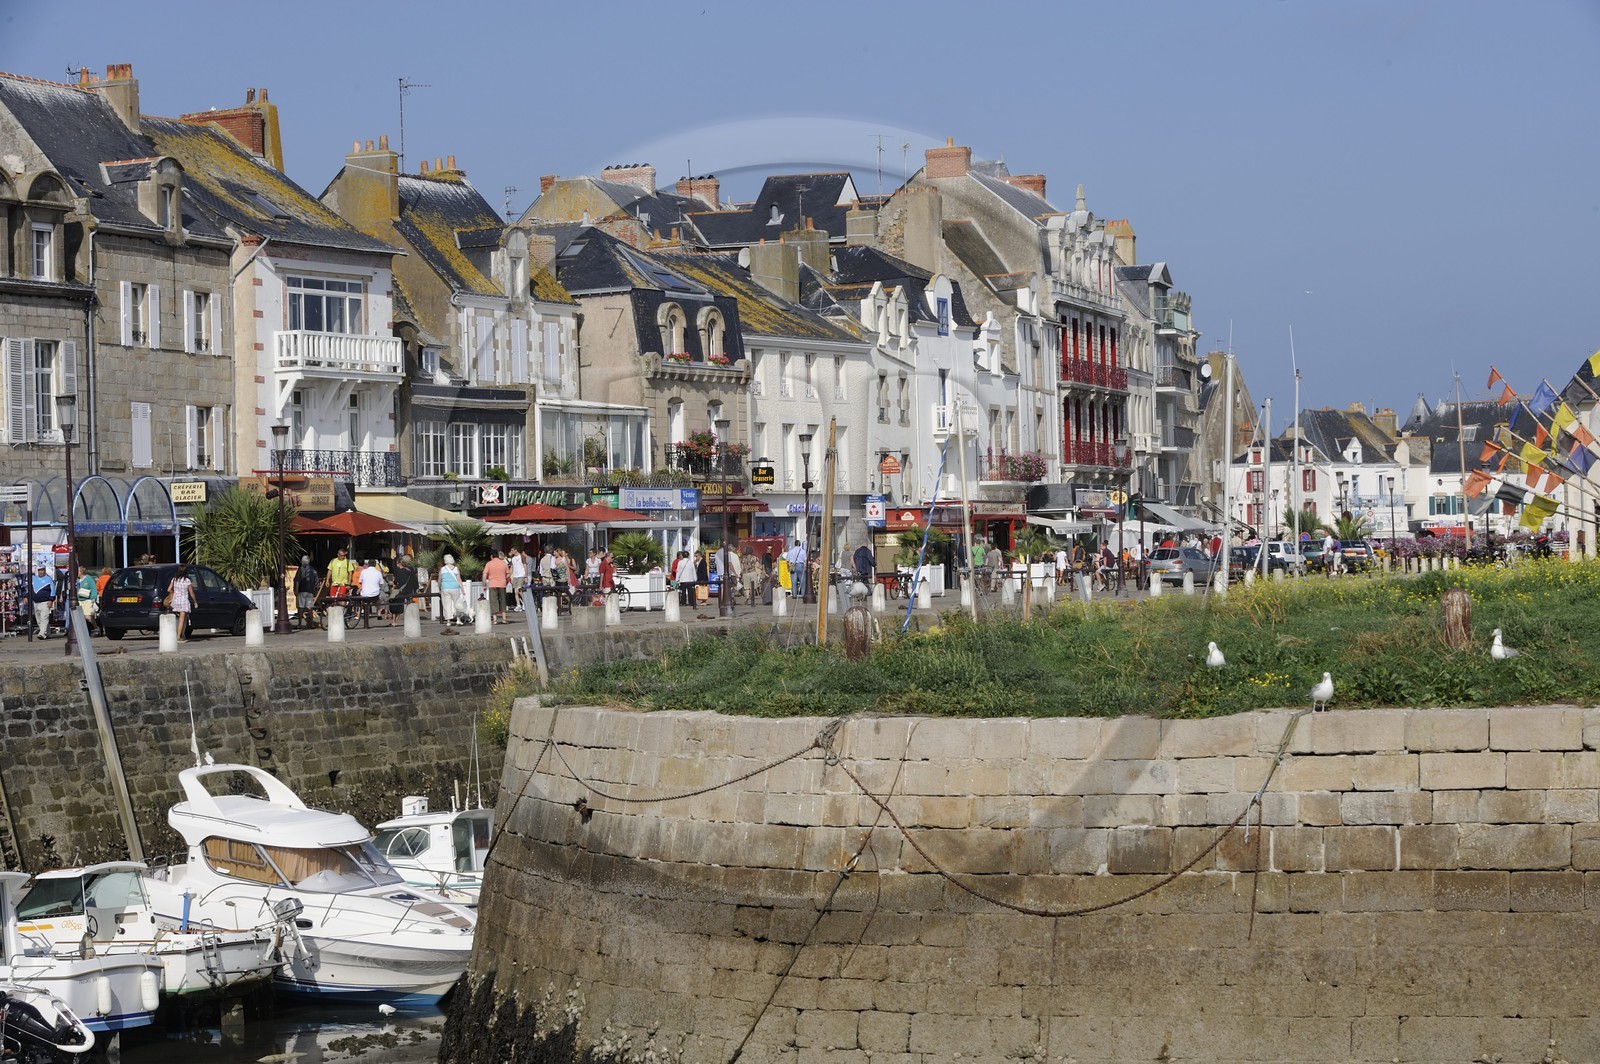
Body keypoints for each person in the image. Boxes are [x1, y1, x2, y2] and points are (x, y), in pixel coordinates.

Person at [165, 565, 194, 641]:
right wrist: (195, 601)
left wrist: (174, 592)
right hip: (184, 601)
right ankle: (178, 637)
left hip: (176, 601)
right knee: (182, 620)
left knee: (183, 619)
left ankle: (183, 635)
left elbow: (168, 589)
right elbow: (191, 592)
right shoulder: (187, 581)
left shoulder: (174, 579)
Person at [388, 554, 418, 627]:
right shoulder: (412, 570)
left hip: (400, 590)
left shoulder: (401, 571)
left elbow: (396, 581)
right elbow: (415, 581)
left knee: (394, 602)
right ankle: (397, 621)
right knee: (401, 605)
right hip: (410, 590)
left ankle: (393, 621)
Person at [483, 550, 510, 624]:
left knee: (493, 601)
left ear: (492, 556)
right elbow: (508, 574)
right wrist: (503, 577)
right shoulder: (503, 563)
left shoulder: (489, 564)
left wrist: (484, 583)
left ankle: (495, 620)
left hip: (493, 584)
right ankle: (504, 618)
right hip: (502, 584)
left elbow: (485, 574)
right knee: (503, 600)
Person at [295, 555, 321, 629]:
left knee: (301, 607)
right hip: (310, 591)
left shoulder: (300, 569)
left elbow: (297, 581)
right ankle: (312, 624)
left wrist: (296, 590)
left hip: (302, 590)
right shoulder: (313, 570)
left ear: (302, 561)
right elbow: (316, 581)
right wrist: (315, 590)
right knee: (310, 607)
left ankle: (300, 623)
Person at [356, 559, 384, 626]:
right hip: (375, 594)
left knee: (364, 603)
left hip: (365, 593)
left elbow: (360, 581)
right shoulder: (378, 572)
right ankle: (379, 613)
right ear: (375, 565)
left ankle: (363, 614)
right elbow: (381, 583)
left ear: (368, 564)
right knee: (378, 601)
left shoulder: (363, 572)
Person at [438, 554, 464, 626]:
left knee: (447, 605)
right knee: (457, 604)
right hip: (455, 588)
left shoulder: (442, 569)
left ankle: (448, 621)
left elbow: (439, 580)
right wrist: (462, 589)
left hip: (445, 588)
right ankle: (458, 619)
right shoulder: (456, 569)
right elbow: (459, 580)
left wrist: (439, 588)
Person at [30, 563, 54, 639]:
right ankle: (48, 633)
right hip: (36, 602)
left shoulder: (48, 579)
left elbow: (53, 590)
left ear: (45, 570)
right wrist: (26, 597)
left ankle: (42, 634)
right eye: (39, 570)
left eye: (42, 570)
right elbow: (30, 589)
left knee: (44, 618)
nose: (41, 572)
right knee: (39, 620)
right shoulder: (33, 578)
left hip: (45, 602)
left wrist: (51, 600)